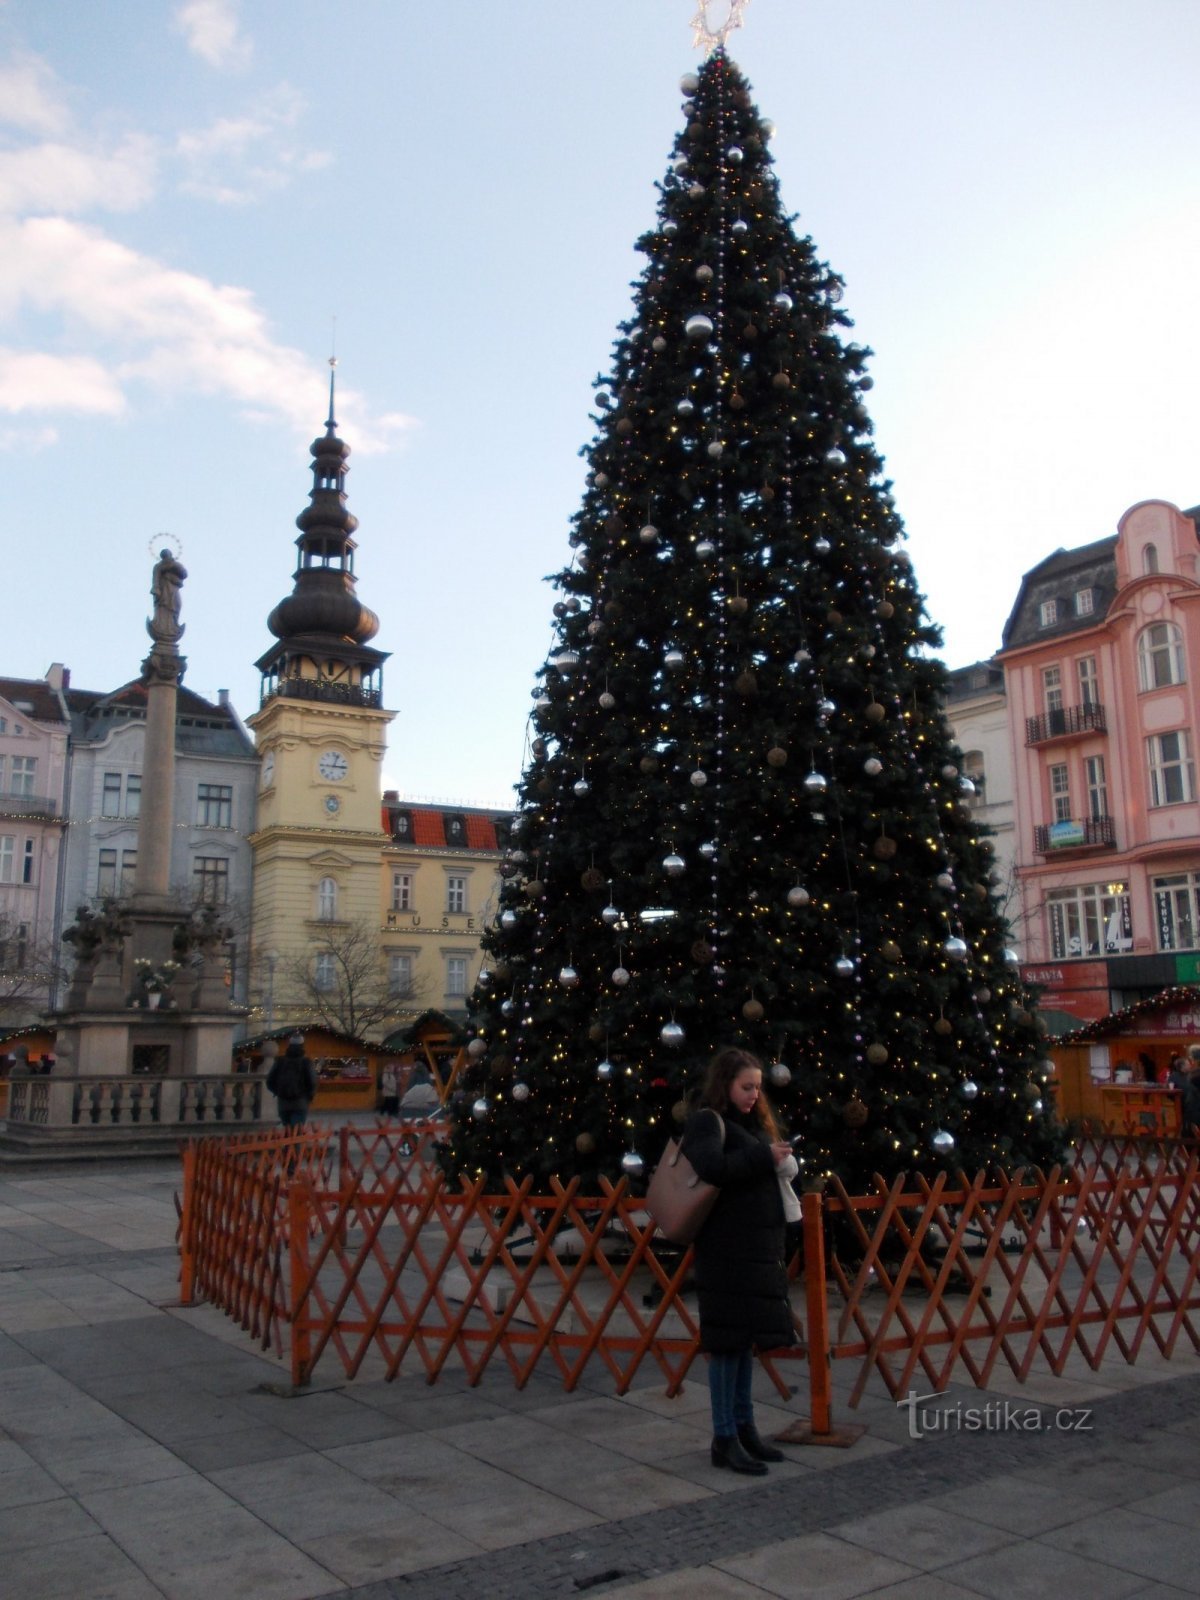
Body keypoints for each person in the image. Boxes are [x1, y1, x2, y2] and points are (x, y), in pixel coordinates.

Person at [682, 1046, 797, 1476]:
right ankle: (724, 1436)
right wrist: (763, 1157)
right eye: (746, 1087)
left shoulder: (751, 1124)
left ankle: (745, 1428)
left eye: (758, 1088)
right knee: (726, 1346)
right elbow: (712, 1166)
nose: (754, 1095)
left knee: (743, 1343)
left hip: (751, 1251)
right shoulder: (705, 1121)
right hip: (725, 1251)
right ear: (725, 1084)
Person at [266, 1033, 317, 1128]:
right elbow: (312, 1081)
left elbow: (269, 1081)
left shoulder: (280, 1061)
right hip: (300, 1102)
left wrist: (278, 1092)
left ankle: (287, 1142)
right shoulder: (306, 1062)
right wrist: (310, 1096)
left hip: (283, 1103)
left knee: (287, 1131)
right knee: (296, 1133)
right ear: (302, 1045)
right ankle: (295, 1143)